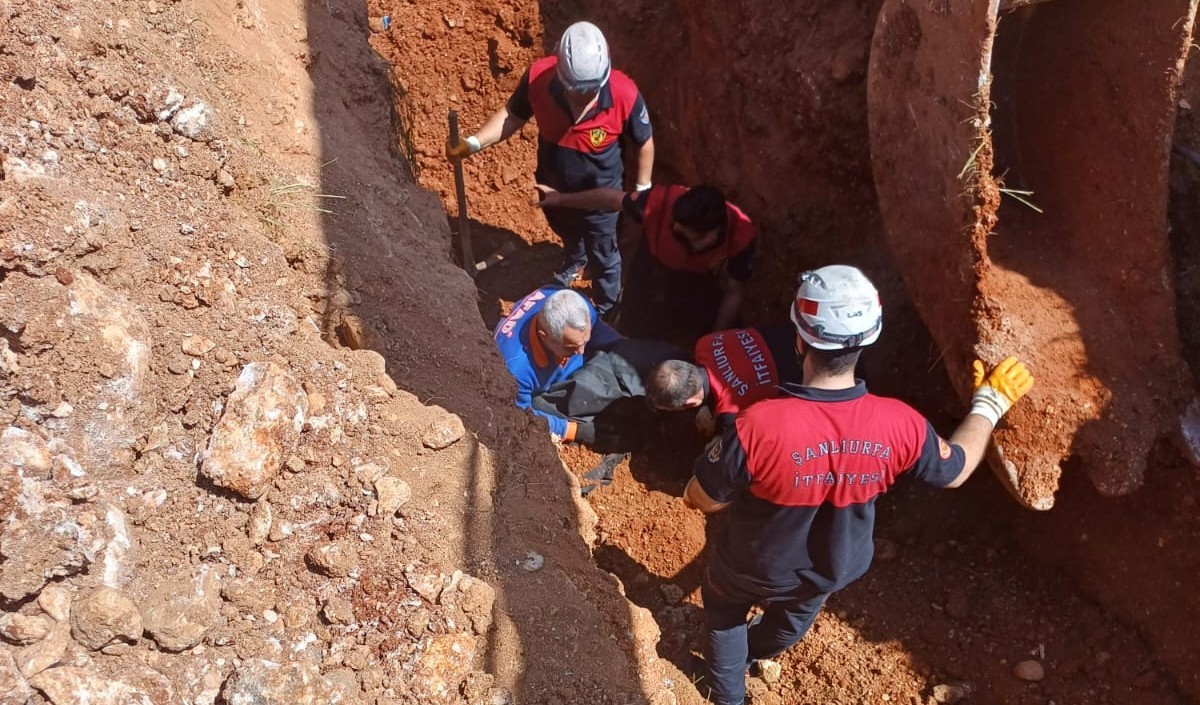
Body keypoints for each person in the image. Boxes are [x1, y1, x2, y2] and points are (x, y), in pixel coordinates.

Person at [682, 265, 1034, 705]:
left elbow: (705, 499)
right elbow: (957, 468)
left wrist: (696, 489)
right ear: (870, 338)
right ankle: (744, 660)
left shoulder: (759, 426)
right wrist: (989, 403)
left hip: (751, 564)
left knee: (723, 615)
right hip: (829, 569)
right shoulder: (901, 424)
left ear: (799, 338)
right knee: (788, 625)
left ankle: (728, 693)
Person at [449, 21, 654, 318]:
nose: (583, 97)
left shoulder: (624, 94)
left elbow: (644, 142)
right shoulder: (538, 79)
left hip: (601, 198)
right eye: (576, 90)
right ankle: (574, 258)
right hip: (552, 184)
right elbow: (512, 115)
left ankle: (608, 309)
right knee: (567, 231)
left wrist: (643, 189)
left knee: (604, 254)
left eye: (590, 90)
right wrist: (473, 143)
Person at [536, 183, 756, 332]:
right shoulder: (659, 203)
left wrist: (714, 341)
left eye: (687, 235)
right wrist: (560, 198)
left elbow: (734, 292)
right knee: (632, 328)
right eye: (675, 229)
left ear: (712, 233)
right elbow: (611, 200)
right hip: (648, 276)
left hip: (695, 288)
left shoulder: (741, 236)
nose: (676, 231)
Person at [493, 286, 620, 442]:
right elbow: (522, 414)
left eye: (585, 341)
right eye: (571, 346)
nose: (581, 351)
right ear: (545, 336)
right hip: (542, 394)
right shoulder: (514, 370)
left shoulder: (576, 305)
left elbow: (606, 337)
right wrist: (574, 431)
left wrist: (628, 352)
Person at [646, 324, 801, 435]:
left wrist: (719, 439)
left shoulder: (730, 412)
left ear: (690, 403)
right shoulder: (704, 344)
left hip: (803, 374)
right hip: (796, 334)